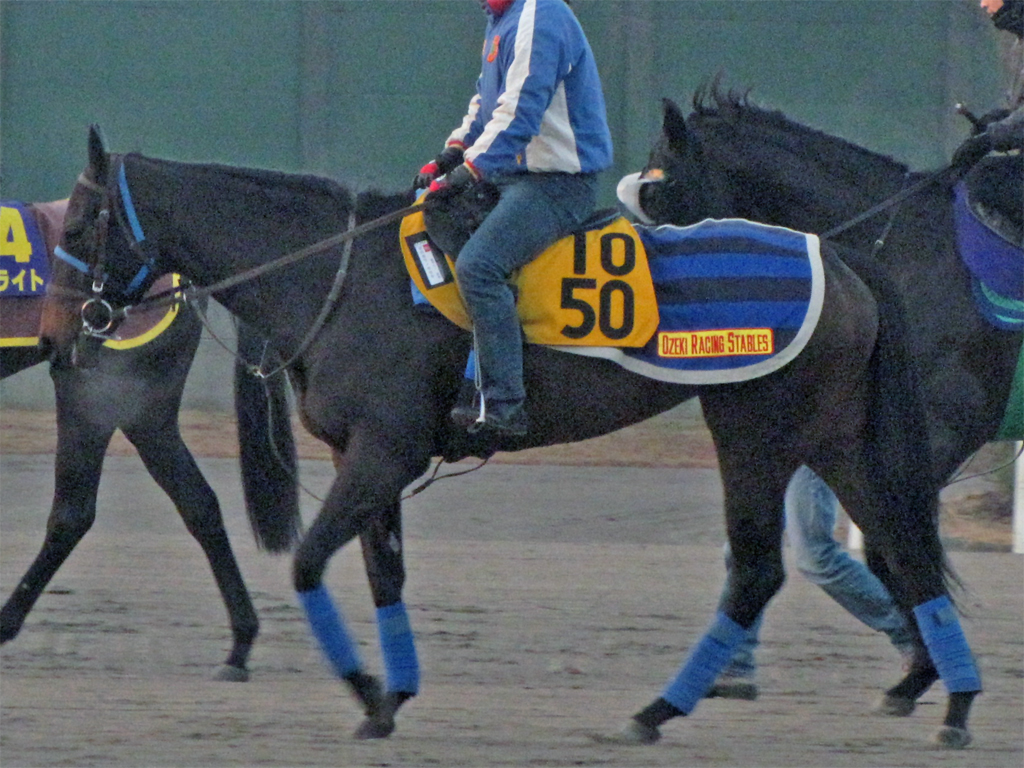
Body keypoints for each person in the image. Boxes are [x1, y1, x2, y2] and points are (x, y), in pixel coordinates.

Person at [415, 0, 613, 437]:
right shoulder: (502, 17)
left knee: (479, 267)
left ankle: (504, 403)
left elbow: (519, 112)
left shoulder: (540, 15)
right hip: (512, 175)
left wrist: (468, 170)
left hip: (557, 186)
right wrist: (453, 151)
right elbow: (488, 101)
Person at [710, 467, 915, 699]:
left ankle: (910, 634)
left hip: (810, 449)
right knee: (745, 550)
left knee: (815, 556)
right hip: (768, 450)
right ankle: (734, 667)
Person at [952, 0, 1024, 169]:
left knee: (984, 180)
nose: (983, 5)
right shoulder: (1018, 46)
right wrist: (1000, 118)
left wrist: (991, 137)